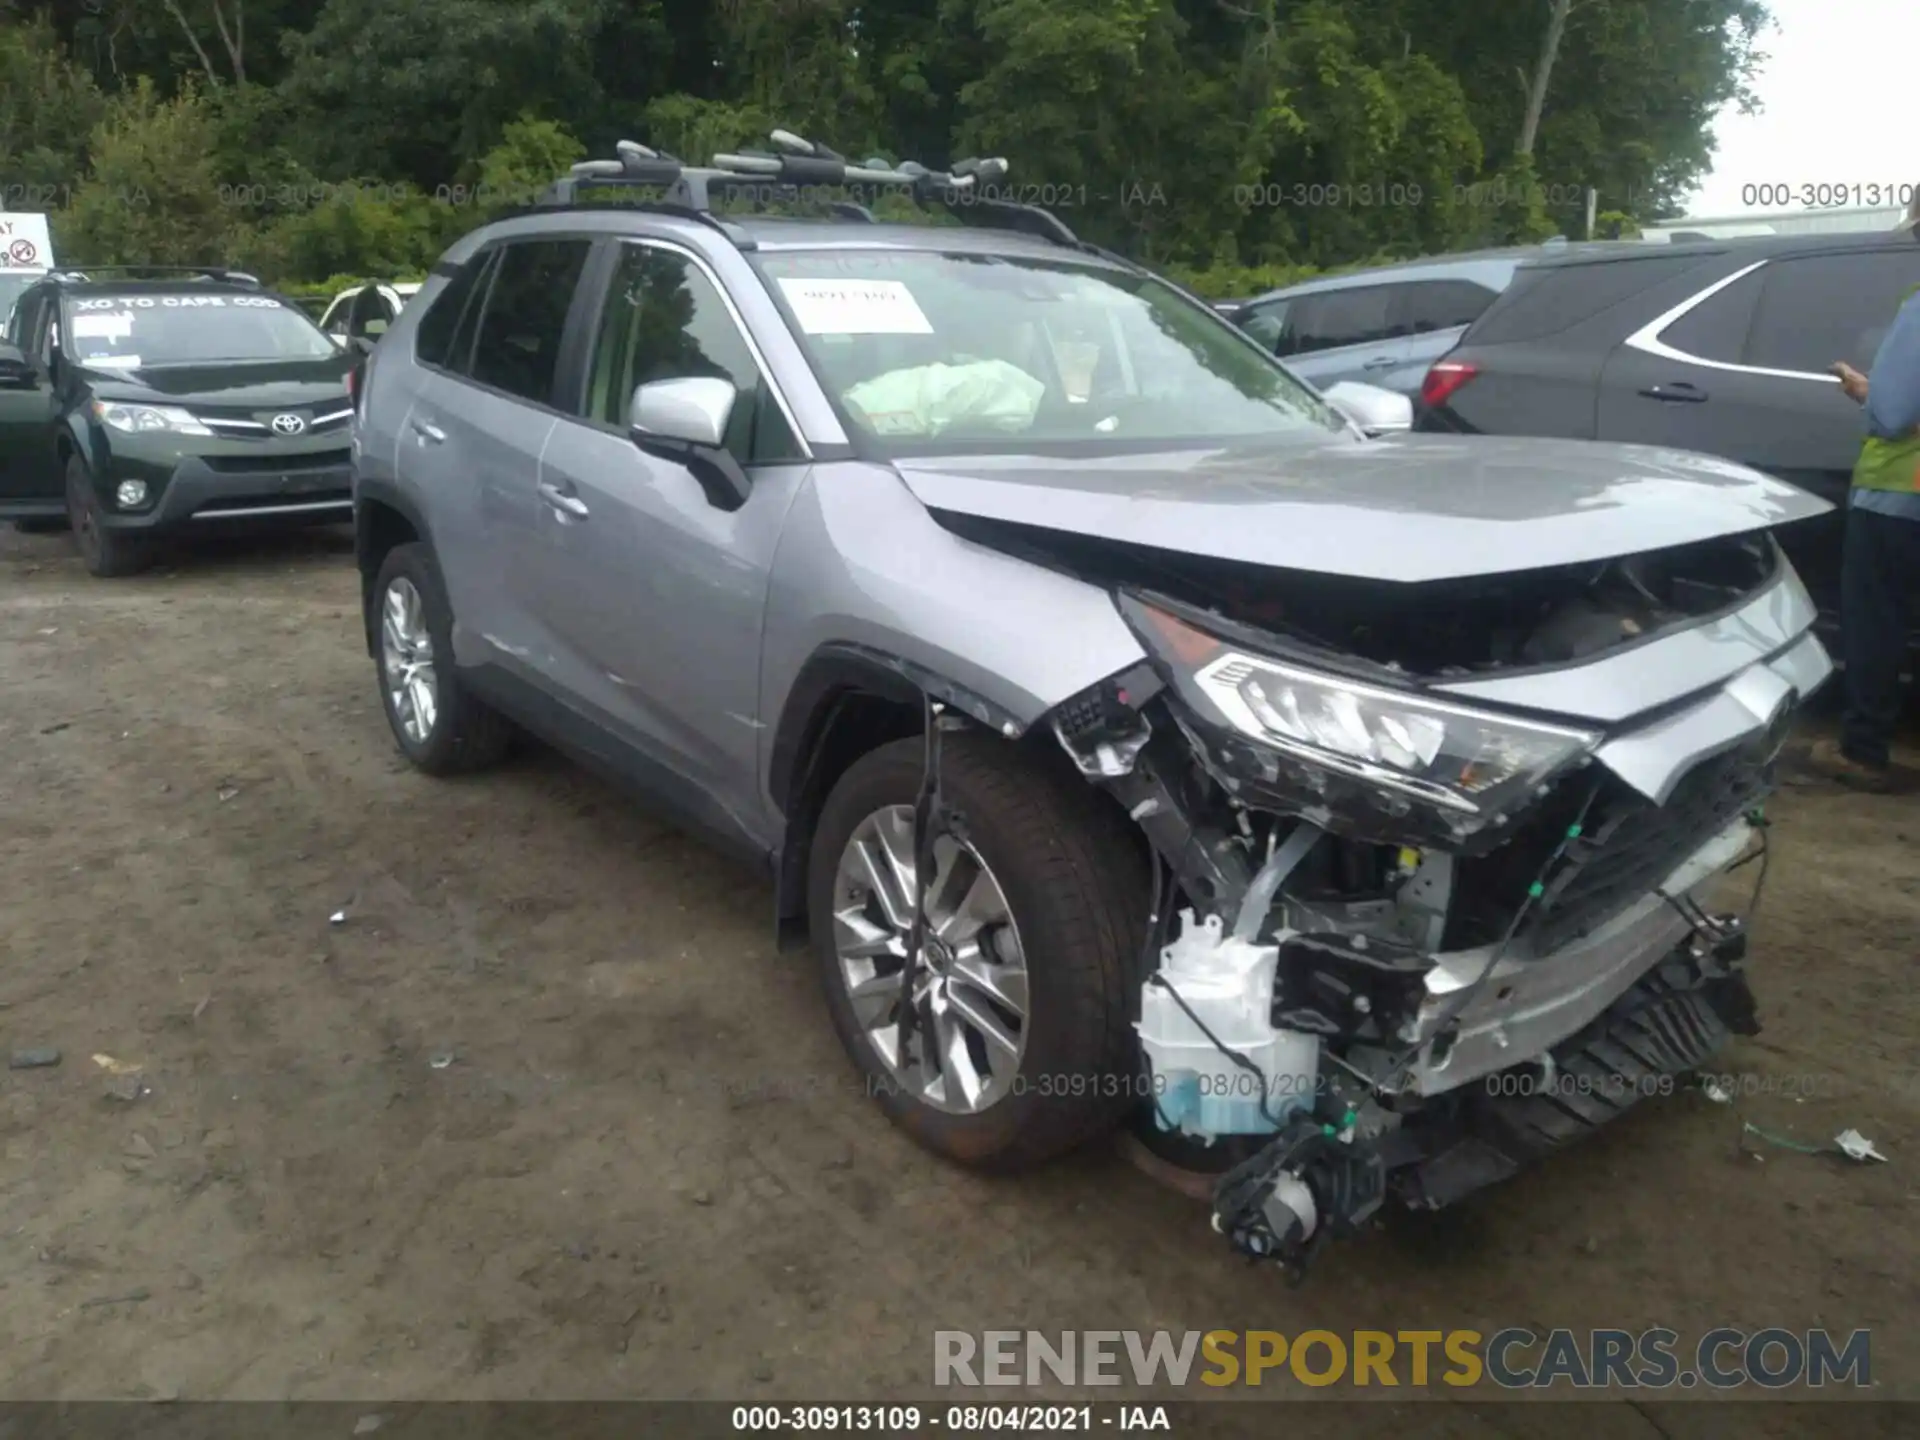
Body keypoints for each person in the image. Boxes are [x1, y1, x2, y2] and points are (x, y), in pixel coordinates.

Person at [1808, 192, 1920, 790]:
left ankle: (1863, 751)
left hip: (1902, 494)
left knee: (1877, 624)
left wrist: (1864, 393)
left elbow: (1896, 412)